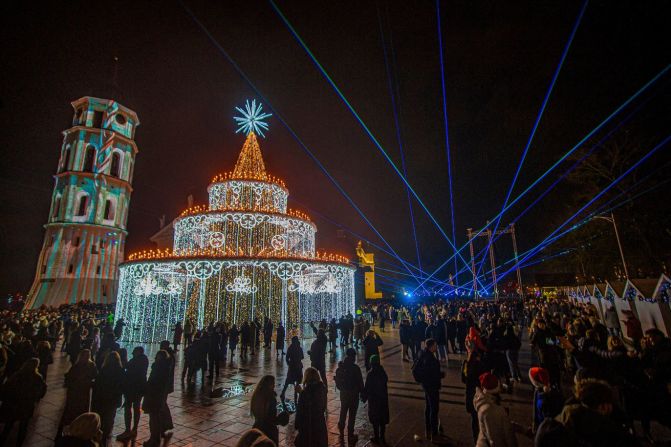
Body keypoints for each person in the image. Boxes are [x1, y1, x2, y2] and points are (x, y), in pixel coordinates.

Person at [0, 358, 47, 446]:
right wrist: (36, 398)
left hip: (14, 404)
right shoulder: (38, 378)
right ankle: (19, 443)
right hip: (27, 405)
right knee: (23, 426)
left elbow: (6, 387)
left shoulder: (17, 375)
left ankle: (2, 440)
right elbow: (42, 390)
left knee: (9, 424)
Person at [474, 372, 519, 447]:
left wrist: (523, 430)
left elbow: (500, 423)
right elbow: (498, 437)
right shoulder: (492, 409)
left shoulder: (482, 400)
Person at [413, 338, 445, 441]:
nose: (436, 347)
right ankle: (434, 433)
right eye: (435, 345)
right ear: (431, 346)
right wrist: (441, 375)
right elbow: (431, 373)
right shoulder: (429, 358)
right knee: (434, 409)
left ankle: (428, 429)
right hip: (431, 386)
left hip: (426, 385)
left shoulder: (422, 353)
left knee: (428, 407)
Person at [60, 349, 97, 434]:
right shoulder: (92, 365)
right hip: (84, 390)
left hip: (75, 391)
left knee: (73, 409)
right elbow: (95, 376)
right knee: (82, 408)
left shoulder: (77, 365)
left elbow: (69, 377)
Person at [92, 350, 125, 444]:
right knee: (110, 416)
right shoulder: (120, 370)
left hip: (102, 397)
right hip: (114, 399)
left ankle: (99, 433)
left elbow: (98, 383)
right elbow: (122, 385)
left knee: (102, 415)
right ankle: (107, 433)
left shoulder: (104, 369)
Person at [117, 346, 149, 441]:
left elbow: (127, 367)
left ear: (138, 351)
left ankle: (128, 429)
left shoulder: (135, 360)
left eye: (134, 351)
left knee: (128, 406)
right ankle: (134, 428)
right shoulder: (144, 360)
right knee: (136, 407)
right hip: (140, 387)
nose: (133, 353)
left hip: (131, 386)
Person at [334, 348, 364, 443]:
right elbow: (360, 383)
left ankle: (341, 430)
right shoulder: (355, 368)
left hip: (344, 394)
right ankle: (350, 434)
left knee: (343, 411)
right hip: (354, 395)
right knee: (352, 414)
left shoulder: (341, 367)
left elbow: (338, 383)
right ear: (353, 356)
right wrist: (362, 393)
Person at [143, 350, 171, 447]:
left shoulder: (158, 368)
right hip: (158, 396)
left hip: (154, 396)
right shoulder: (165, 368)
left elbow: (153, 382)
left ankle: (154, 439)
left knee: (153, 418)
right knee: (156, 417)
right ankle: (156, 437)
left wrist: (147, 387)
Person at [294, 367, 328, 447]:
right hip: (320, 424)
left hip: (308, 425)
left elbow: (301, 410)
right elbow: (323, 407)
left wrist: (301, 393)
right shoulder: (322, 389)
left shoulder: (306, 392)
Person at [250, 375, 288, 445]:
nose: (274, 386)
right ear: (269, 385)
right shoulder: (270, 398)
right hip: (269, 432)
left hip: (257, 428)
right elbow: (271, 418)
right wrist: (281, 418)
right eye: (273, 384)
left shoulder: (256, 395)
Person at [362, 355, 389, 445]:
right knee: (382, 420)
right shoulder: (383, 372)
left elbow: (367, 387)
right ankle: (382, 437)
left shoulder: (371, 374)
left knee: (375, 420)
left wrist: (364, 397)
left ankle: (377, 437)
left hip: (374, 401)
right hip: (383, 400)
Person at [528, 367, 563, 434]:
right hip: (540, 425)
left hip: (546, 429)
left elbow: (548, 418)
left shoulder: (545, 399)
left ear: (536, 382)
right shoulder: (537, 391)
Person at [281, 336, 303, 402]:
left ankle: (283, 393)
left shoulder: (290, 348)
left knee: (288, 381)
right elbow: (302, 357)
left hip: (292, 367)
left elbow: (287, 357)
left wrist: (289, 364)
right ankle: (295, 395)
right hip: (298, 367)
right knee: (297, 382)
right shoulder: (299, 348)